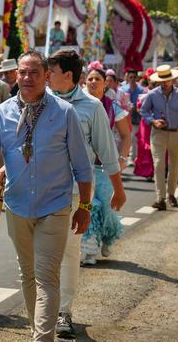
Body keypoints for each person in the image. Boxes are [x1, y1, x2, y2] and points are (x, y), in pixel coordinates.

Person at [0, 50, 93, 342]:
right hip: (16, 205)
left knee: (46, 276)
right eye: (22, 73)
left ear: (46, 77)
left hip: (55, 206)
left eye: (34, 73)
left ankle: (42, 338)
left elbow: (82, 165)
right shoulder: (2, 113)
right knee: (27, 275)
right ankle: (37, 330)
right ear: (15, 76)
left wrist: (86, 206)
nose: (27, 78)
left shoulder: (64, 113)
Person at [47, 51, 125, 339]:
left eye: (50, 71)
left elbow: (106, 152)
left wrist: (118, 188)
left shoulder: (92, 108)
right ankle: (43, 309)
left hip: (73, 193)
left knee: (68, 253)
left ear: (68, 75)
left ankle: (63, 312)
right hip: (37, 194)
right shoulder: (40, 103)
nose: (45, 77)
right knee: (37, 254)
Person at [82, 63, 131, 262]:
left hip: (106, 165)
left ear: (105, 85)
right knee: (89, 205)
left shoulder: (113, 108)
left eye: (97, 79)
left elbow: (126, 135)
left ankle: (108, 237)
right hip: (83, 164)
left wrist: (122, 158)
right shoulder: (76, 104)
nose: (93, 82)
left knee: (106, 207)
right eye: (90, 79)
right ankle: (89, 250)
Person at [139, 65, 178, 210]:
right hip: (159, 133)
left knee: (174, 166)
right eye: (162, 80)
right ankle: (160, 198)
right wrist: (153, 121)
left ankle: (171, 194)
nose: (165, 83)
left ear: (172, 79)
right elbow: (143, 110)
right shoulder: (152, 94)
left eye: (167, 80)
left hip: (177, 132)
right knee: (158, 164)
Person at [120, 69, 149, 177]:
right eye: (130, 77)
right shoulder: (123, 89)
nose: (132, 79)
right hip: (125, 118)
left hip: (138, 118)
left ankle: (133, 157)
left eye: (134, 77)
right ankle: (128, 157)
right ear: (127, 78)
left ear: (137, 78)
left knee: (136, 139)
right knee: (128, 138)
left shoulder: (142, 90)